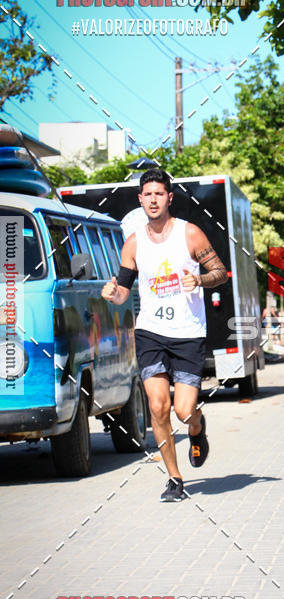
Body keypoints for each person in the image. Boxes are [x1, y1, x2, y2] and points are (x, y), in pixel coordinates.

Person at [101, 168, 227, 502]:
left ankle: (198, 429)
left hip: (188, 334)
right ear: (140, 199)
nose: (153, 200)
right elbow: (123, 293)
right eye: (148, 194)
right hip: (150, 332)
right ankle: (174, 478)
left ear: (169, 198)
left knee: (184, 411)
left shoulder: (190, 234)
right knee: (158, 407)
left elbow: (219, 273)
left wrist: (199, 280)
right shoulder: (133, 242)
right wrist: (111, 292)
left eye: (160, 194)